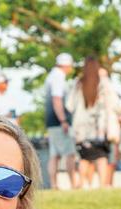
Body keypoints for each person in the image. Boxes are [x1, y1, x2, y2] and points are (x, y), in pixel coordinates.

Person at [66, 57, 120, 188]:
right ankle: (102, 184)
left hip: (81, 128)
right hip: (100, 127)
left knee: (84, 157)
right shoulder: (103, 82)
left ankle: (81, 185)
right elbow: (114, 103)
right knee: (101, 157)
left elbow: (69, 105)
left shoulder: (78, 83)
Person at [44, 53, 78, 190]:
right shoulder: (58, 77)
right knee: (70, 153)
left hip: (51, 121)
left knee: (55, 154)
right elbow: (57, 99)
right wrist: (63, 120)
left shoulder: (51, 76)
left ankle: (54, 184)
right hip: (59, 121)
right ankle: (73, 184)